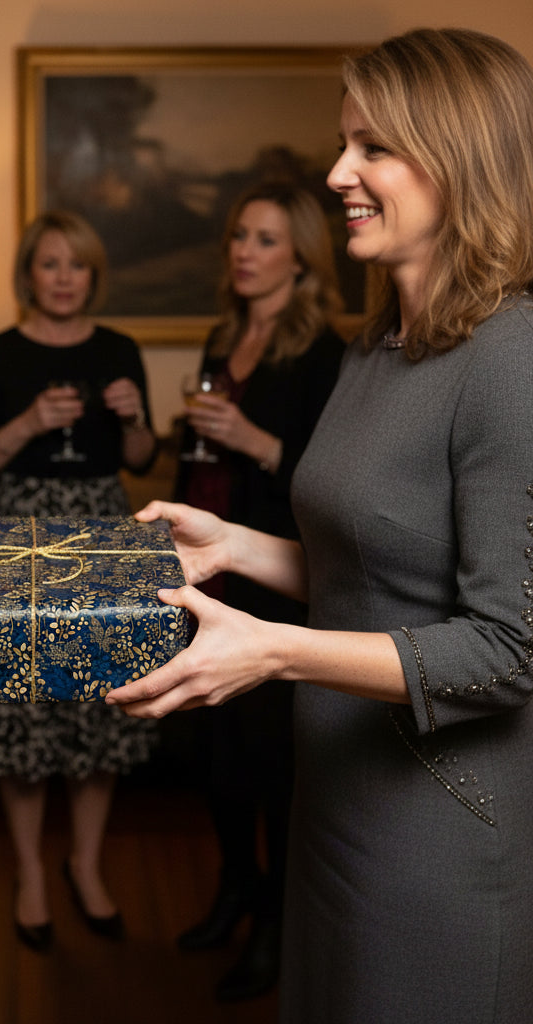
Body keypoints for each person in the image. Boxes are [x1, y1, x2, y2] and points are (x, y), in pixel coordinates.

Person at [108, 27, 533, 1024]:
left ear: (460, 157)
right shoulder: (376, 343)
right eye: (345, 142)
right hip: (334, 803)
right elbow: (378, 569)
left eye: (372, 146)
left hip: (440, 826)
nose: (339, 171)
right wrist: (237, 548)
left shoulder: (510, 359)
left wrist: (272, 654)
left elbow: (510, 648)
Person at [0, 209, 158, 951]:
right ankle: (32, 874)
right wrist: (30, 423)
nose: (65, 277)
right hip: (19, 533)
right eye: (50, 264)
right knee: (25, 708)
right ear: (29, 275)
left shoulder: (120, 349)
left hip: (104, 526)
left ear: (92, 275)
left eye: (77, 265)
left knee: (101, 704)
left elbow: (139, 457)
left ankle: (86, 865)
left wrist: (136, 419)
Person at [172, 182, 344, 1001]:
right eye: (240, 235)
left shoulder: (323, 353)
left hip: (279, 576)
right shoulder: (223, 334)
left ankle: (276, 926)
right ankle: (233, 890)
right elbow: (200, 455)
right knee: (218, 758)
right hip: (207, 567)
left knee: (270, 761)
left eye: (267, 240)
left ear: (303, 254)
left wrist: (256, 441)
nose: (244, 251)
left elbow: (330, 481)